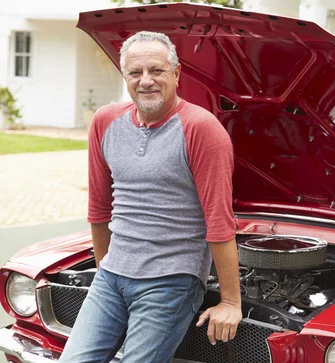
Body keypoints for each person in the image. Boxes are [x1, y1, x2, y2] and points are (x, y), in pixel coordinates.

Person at [59, 31, 242, 363]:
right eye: (135, 73)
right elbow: (99, 207)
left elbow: (219, 221)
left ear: (176, 73)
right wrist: (104, 270)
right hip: (112, 277)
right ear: (125, 77)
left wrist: (230, 301)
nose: (146, 81)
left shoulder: (201, 129)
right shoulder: (105, 122)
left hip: (170, 282)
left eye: (156, 70)